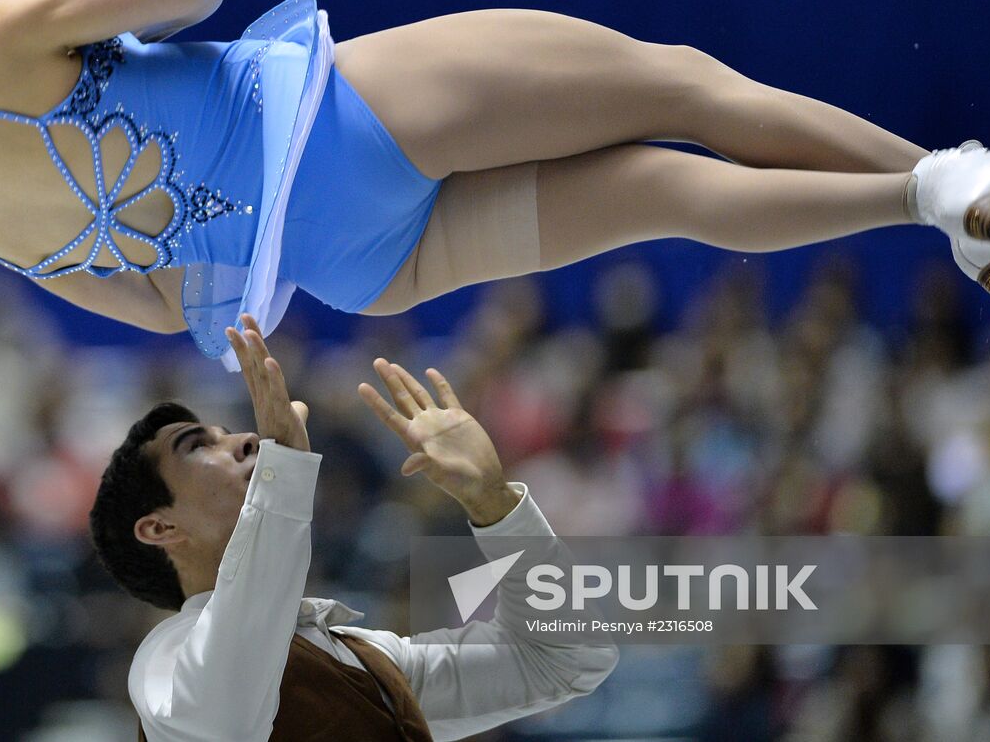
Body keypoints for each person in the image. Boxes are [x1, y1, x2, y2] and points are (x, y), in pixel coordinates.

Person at [0, 0, 990, 364]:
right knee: (685, 87)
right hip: (339, 118)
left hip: (350, 264)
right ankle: (956, 183)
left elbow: (177, 310)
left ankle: (946, 216)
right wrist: (104, 36)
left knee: (670, 193)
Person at [88, 315, 619, 740]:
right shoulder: (164, 659)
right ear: (159, 528)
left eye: (228, 431)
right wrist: (283, 475)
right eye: (198, 446)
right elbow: (226, 717)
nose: (245, 439)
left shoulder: (369, 657)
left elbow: (565, 658)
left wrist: (496, 505)